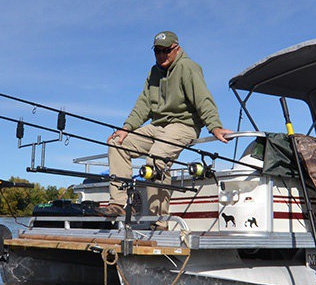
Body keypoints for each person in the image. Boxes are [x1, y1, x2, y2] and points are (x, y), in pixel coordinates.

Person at [100, 30, 233, 219]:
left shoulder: (188, 67)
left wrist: (215, 126)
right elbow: (143, 104)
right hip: (157, 126)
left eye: (166, 51)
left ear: (176, 49)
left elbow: (203, 99)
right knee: (116, 143)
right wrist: (126, 128)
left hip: (183, 125)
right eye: (157, 51)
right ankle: (118, 204)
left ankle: (159, 219)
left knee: (155, 159)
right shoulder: (154, 72)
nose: (161, 55)